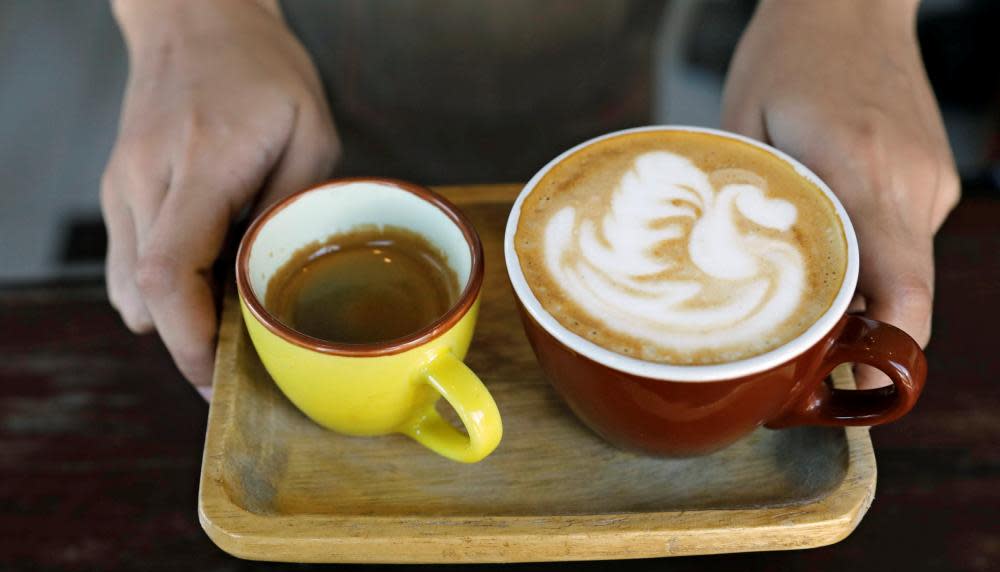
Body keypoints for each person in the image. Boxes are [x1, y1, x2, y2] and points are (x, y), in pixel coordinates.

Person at [101, 0, 959, 398]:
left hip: (600, 63)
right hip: (332, 50)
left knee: (622, 169)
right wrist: (190, 18)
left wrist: (850, 14)